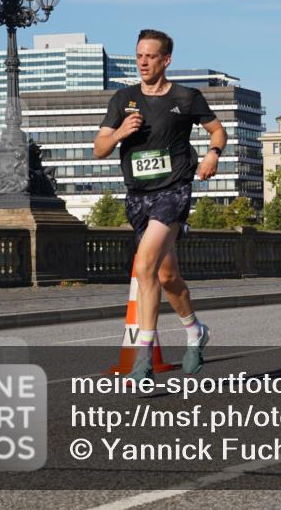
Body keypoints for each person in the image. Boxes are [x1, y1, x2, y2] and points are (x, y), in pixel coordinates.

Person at [94, 29, 228, 381]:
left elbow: (218, 131)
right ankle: (196, 331)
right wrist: (121, 132)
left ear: (166, 60)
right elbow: (99, 148)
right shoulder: (123, 99)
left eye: (150, 56)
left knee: (146, 266)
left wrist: (213, 155)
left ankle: (143, 356)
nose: (142, 61)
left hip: (174, 191)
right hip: (138, 196)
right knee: (168, 277)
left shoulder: (186, 97)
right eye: (139, 55)